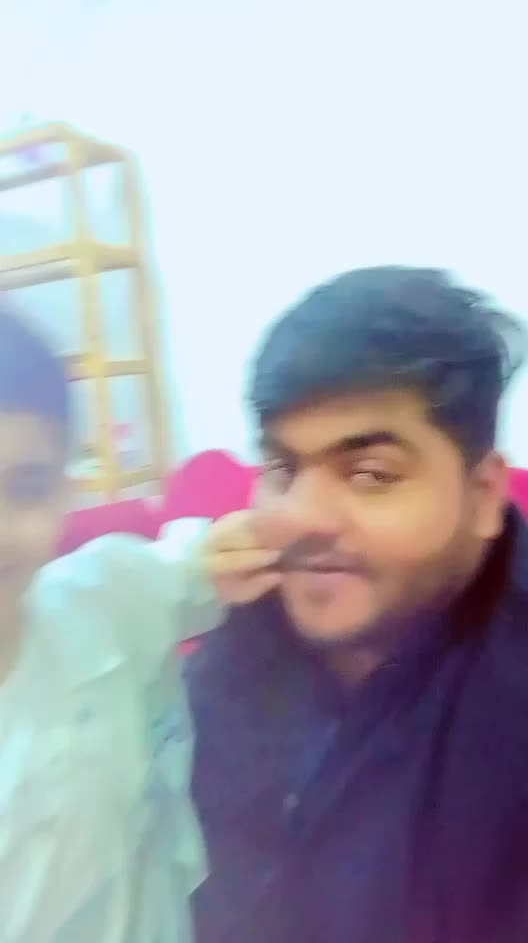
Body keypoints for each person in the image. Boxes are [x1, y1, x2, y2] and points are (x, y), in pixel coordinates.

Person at [188, 266, 528, 943]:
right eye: (282, 470)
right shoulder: (237, 639)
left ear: (484, 495)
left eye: (371, 475)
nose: (300, 516)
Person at [0, 305, 284, 943]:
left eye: (25, 487)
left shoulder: (105, 595)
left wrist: (228, 548)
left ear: (62, 490)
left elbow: (188, 569)